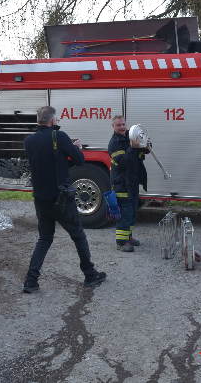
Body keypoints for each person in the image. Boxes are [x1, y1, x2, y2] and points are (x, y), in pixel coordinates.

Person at [22, 106, 106, 293]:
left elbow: (46, 163)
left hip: (41, 198)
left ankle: (31, 281)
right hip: (61, 198)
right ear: (52, 121)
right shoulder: (59, 137)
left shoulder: (29, 141)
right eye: (57, 120)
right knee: (78, 235)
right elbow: (79, 161)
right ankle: (90, 274)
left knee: (44, 238)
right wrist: (75, 148)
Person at [108, 115, 149, 252]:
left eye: (123, 124)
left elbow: (139, 156)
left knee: (131, 213)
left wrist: (145, 145)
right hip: (122, 184)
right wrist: (133, 147)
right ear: (113, 127)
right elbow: (125, 161)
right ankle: (121, 242)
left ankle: (129, 237)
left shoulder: (129, 138)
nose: (122, 127)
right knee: (124, 214)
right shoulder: (114, 143)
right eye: (118, 125)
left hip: (132, 182)